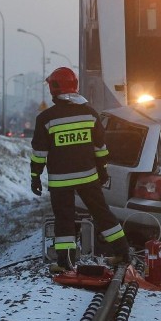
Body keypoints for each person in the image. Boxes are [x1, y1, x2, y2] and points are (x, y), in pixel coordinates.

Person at [29, 67, 130, 273]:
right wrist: (102, 171)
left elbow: (39, 152)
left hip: (60, 181)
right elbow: (100, 148)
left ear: (54, 89)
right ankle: (123, 252)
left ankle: (65, 262)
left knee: (64, 219)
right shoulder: (90, 114)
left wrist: (35, 177)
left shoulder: (46, 118)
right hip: (88, 177)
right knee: (102, 214)